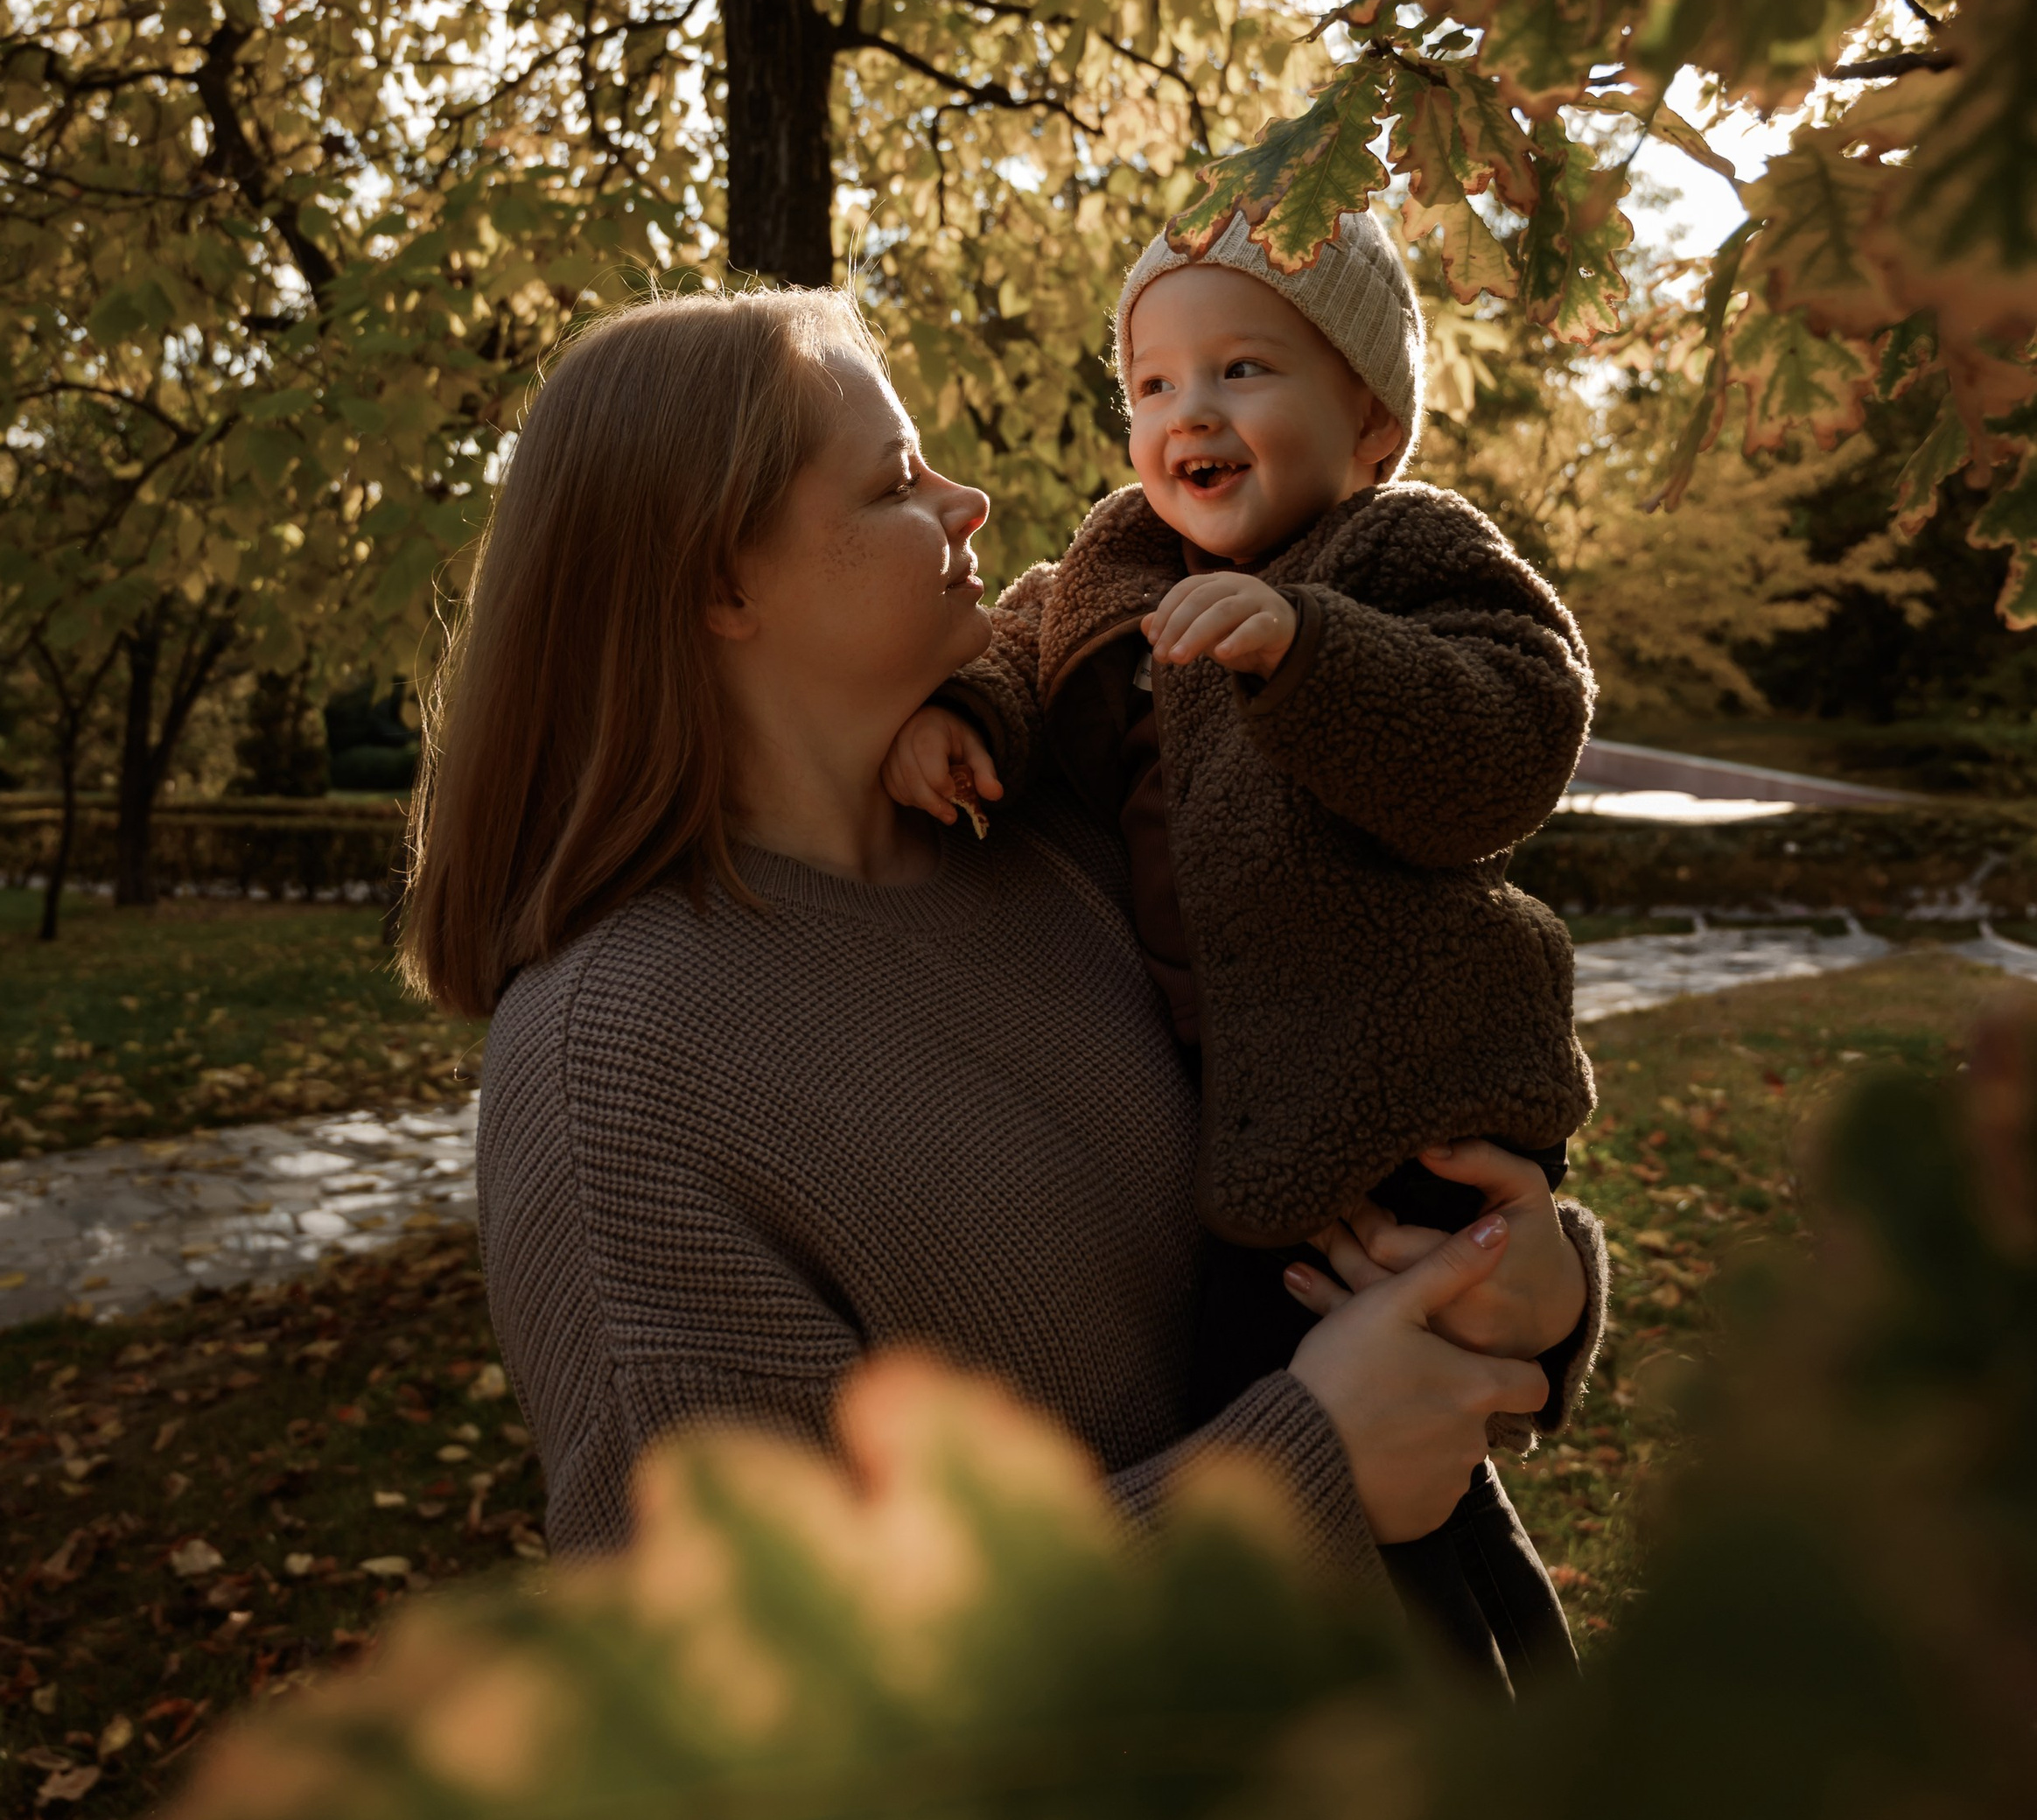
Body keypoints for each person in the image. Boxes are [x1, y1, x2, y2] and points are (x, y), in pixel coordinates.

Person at [399, 284, 1606, 1659]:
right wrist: (1293, 1480)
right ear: (722, 580)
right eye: (896, 482)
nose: (970, 502)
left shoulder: (1066, 835)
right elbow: (738, 1674)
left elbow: (1357, 1068)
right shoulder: (616, 1066)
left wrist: (1532, 1286)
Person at [886, 202, 1600, 1681]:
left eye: (1245, 371)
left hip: (1408, 1086)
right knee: (1312, 1426)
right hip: (1249, 1125)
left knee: (1395, 1425)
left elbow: (1515, 728)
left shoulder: (1403, 549)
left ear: (1374, 421)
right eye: (1152, 385)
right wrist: (963, 719)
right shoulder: (1111, 567)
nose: (1188, 413)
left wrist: (1307, 648)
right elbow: (1021, 652)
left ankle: (1492, 1701)